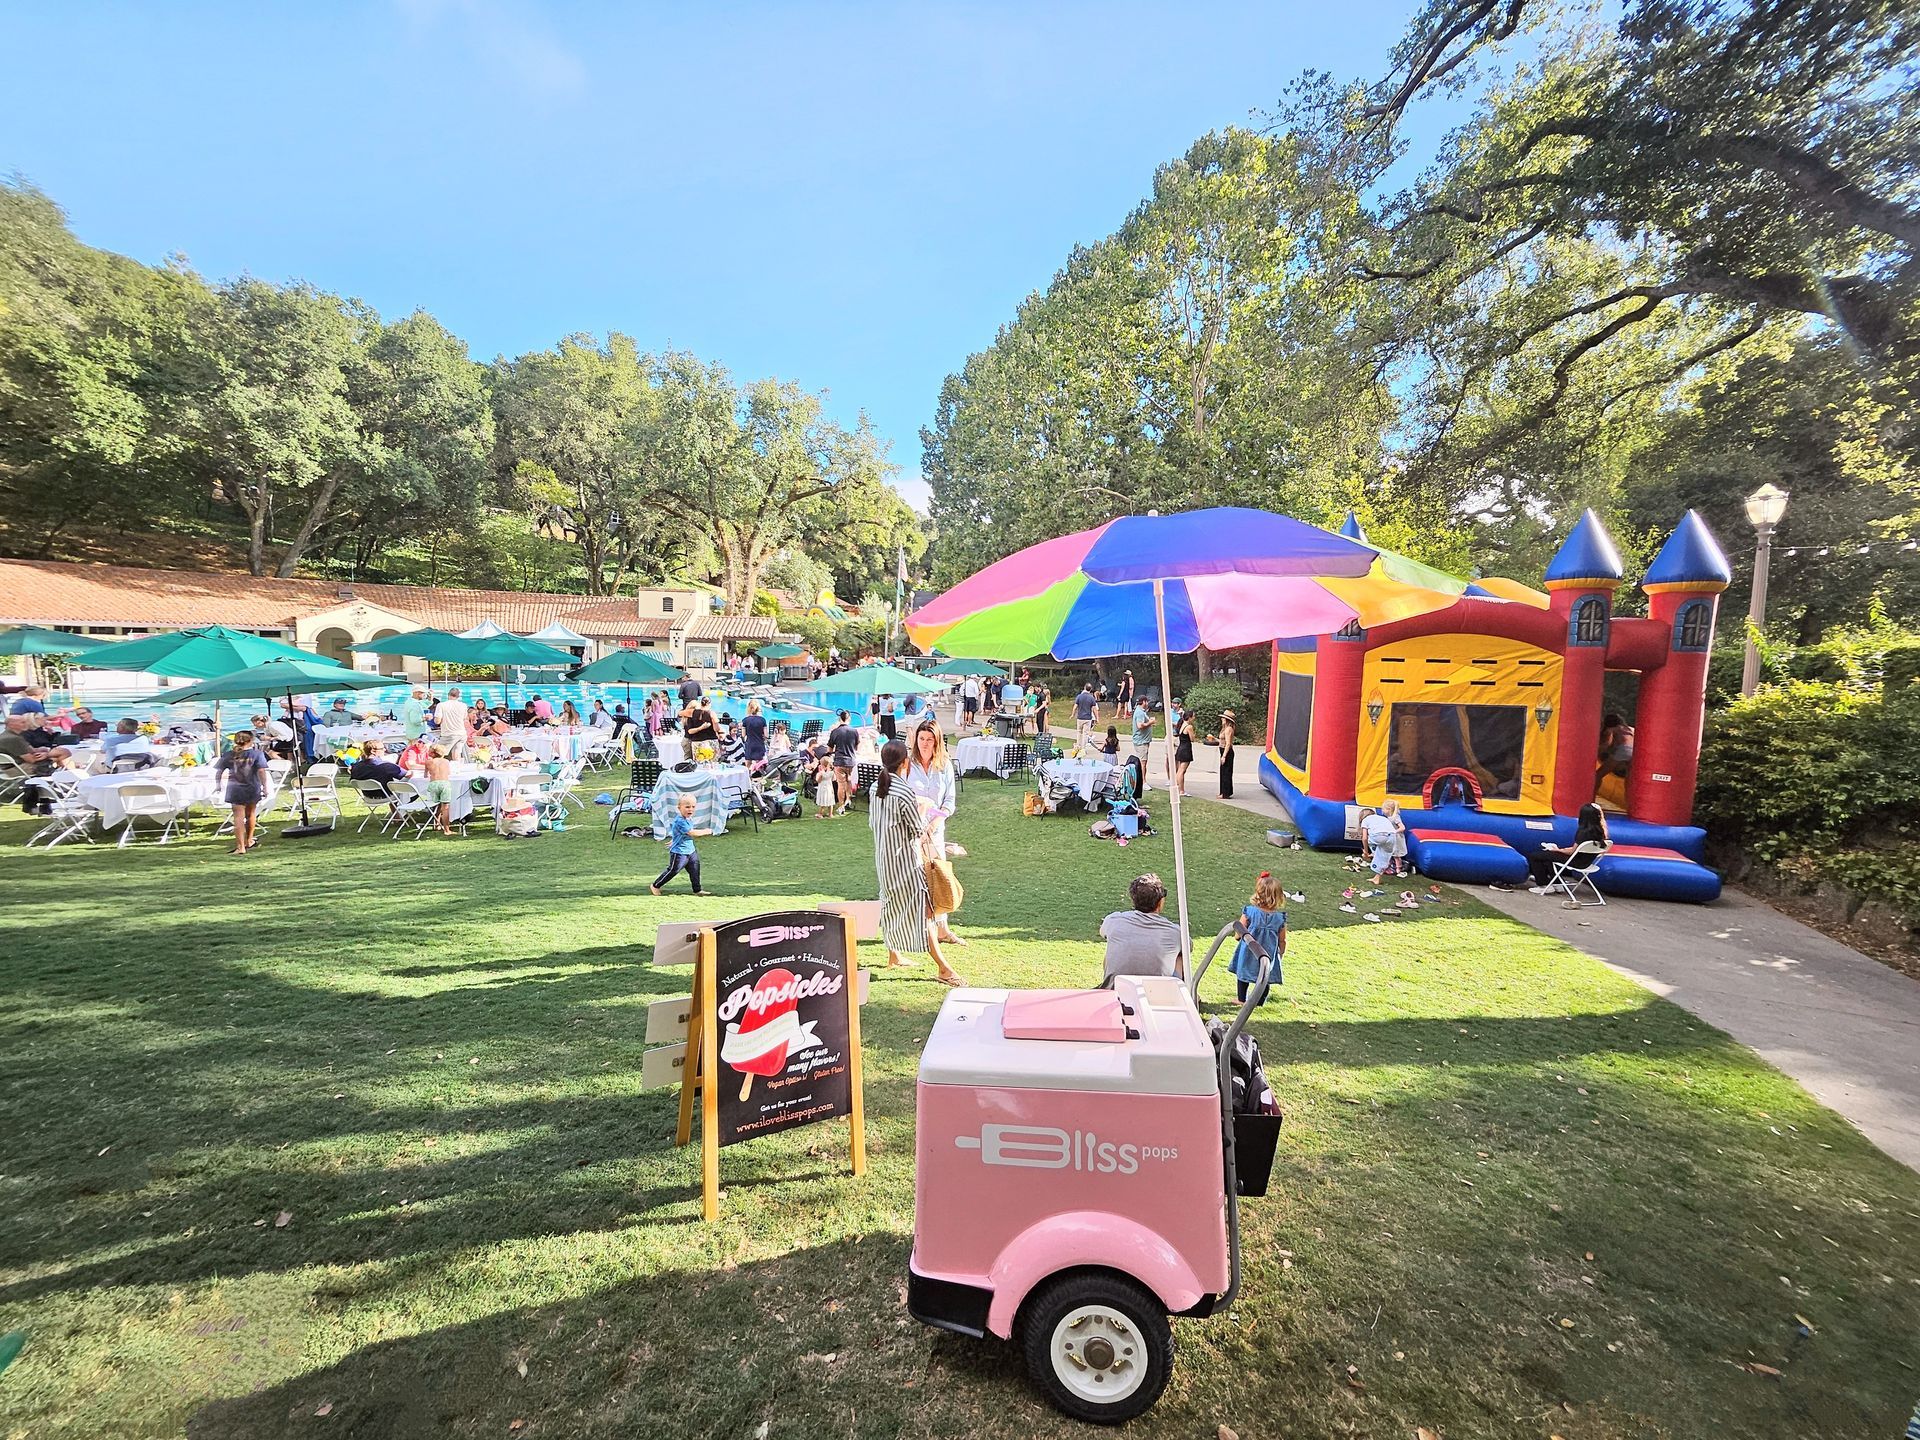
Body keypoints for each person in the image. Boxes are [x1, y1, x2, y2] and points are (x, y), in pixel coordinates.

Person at [870, 738, 963, 984]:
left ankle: (894, 955)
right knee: (926, 913)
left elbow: (875, 823)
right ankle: (943, 968)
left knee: (890, 905)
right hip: (905, 862)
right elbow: (916, 831)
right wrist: (923, 811)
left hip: (884, 859)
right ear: (905, 764)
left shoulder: (875, 788)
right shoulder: (904, 792)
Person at [905, 720, 966, 946]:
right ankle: (917, 928)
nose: (924, 744)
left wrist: (934, 821)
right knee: (915, 879)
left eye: (929, 740)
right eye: (921, 739)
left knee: (939, 877)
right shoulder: (908, 765)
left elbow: (949, 800)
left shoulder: (944, 765)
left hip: (936, 831)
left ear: (937, 741)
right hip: (912, 831)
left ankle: (942, 929)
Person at [1508, 804, 1612, 893]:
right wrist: (1601, 815)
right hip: (1587, 862)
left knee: (1535, 856)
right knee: (1549, 854)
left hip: (1576, 862)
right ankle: (1557, 883)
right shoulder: (1602, 832)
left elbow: (1572, 851)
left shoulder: (1584, 833)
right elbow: (1578, 848)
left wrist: (1557, 850)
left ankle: (1543, 884)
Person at [1099, 873, 1184, 982]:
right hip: (1157, 993)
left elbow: (1103, 932)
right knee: (1180, 956)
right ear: (1160, 901)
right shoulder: (1176, 932)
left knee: (1113, 943)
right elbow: (1188, 947)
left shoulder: (1113, 921)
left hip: (1117, 987)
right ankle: (1189, 994)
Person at [1229, 871, 1287, 1004]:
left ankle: (1241, 999)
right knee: (1265, 976)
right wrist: (1281, 951)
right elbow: (1282, 939)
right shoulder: (1279, 918)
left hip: (1248, 951)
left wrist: (1237, 937)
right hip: (1268, 952)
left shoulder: (1249, 912)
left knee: (1243, 974)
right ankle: (1259, 1002)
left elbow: (1240, 928)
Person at [215, 728, 270, 854]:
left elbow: (219, 771)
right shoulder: (257, 754)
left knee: (238, 817)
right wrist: (265, 786)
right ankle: (249, 840)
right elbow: (261, 771)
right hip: (252, 787)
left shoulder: (229, 754)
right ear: (250, 741)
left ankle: (240, 847)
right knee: (251, 814)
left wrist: (218, 785)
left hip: (235, 788)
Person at [1, 714, 64, 814]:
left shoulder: (12, 736)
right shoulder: (13, 739)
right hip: (15, 769)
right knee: (47, 767)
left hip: (9, 768)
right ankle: (44, 802)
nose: (26, 724)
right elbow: (31, 760)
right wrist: (50, 756)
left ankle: (42, 803)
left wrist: (43, 750)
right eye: (22, 722)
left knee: (52, 761)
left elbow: (31, 750)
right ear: (12, 724)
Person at [651, 793, 712, 895]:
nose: (690, 809)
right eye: (687, 807)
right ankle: (655, 885)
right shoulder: (680, 821)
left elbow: (677, 832)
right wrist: (706, 831)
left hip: (691, 851)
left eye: (693, 807)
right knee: (673, 870)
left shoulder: (688, 819)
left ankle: (697, 890)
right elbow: (691, 833)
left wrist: (674, 839)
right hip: (679, 852)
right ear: (679, 808)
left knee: (695, 870)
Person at [826, 709, 860, 816]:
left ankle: (841, 806)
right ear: (849, 719)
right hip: (851, 760)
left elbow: (829, 750)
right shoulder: (854, 731)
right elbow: (857, 747)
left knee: (841, 784)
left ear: (840, 718)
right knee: (849, 780)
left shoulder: (835, 732)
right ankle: (848, 800)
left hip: (840, 760)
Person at [421, 743, 457, 836]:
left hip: (433, 784)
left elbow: (425, 775)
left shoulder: (428, 762)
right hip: (444, 784)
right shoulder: (446, 761)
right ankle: (447, 829)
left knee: (436, 805)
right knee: (445, 807)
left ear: (433, 753)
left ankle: (436, 824)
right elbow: (448, 772)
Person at [1359, 805, 1398, 883]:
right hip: (1392, 836)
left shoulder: (1366, 820)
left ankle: (1374, 853)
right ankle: (1377, 878)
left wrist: (1366, 852)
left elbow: (1364, 838)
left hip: (1379, 835)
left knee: (1370, 839)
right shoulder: (1383, 818)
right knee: (1384, 856)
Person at [1208, 707, 1238, 799]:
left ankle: (1226, 793)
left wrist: (1224, 756)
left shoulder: (1229, 729)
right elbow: (1222, 741)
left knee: (1226, 772)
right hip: (1222, 750)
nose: (1222, 719)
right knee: (1223, 771)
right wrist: (1214, 739)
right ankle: (1223, 792)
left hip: (1227, 752)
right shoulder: (1224, 729)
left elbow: (1228, 743)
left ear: (1227, 720)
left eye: (1223, 718)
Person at [1598, 712, 1636, 778]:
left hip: (1624, 749)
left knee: (1599, 774)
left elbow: (1607, 744)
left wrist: (1597, 753)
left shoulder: (1611, 729)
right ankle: (1629, 788)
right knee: (1629, 777)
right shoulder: (1630, 729)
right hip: (1635, 750)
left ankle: (1593, 788)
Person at [436, 687, 469, 759]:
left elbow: (437, 721)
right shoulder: (463, 705)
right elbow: (464, 718)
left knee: (438, 753)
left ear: (448, 695)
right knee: (456, 752)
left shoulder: (441, 705)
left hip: (449, 734)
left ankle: (438, 769)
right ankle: (457, 768)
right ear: (458, 696)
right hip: (461, 733)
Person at [1171, 704, 1195, 797]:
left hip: (1181, 747)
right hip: (1186, 749)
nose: (1194, 718)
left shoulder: (1181, 724)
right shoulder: (1189, 727)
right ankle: (1181, 790)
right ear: (1189, 717)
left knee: (1180, 770)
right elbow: (1192, 739)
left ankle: (1179, 788)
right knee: (1182, 770)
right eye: (1193, 717)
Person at [1130, 699, 1154, 779]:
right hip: (1141, 741)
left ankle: (1141, 780)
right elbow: (1140, 725)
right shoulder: (1140, 713)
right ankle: (1143, 782)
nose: (1147, 703)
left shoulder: (1141, 711)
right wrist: (1150, 723)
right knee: (1142, 763)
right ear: (1143, 702)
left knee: (1143, 762)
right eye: (1147, 701)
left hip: (1143, 740)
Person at [742, 697, 768, 765]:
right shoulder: (763, 720)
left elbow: (743, 735)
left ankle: (749, 775)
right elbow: (766, 735)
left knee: (748, 764)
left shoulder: (745, 720)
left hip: (750, 744)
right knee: (760, 765)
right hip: (759, 744)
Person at [1073, 683, 1098, 750]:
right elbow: (1094, 709)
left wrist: (1073, 714)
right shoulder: (1091, 698)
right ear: (1090, 689)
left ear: (1084, 688)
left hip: (1080, 717)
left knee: (1079, 732)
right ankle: (1083, 748)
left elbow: (1075, 707)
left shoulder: (1079, 696)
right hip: (1087, 718)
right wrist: (1097, 718)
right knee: (1085, 733)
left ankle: (1078, 746)